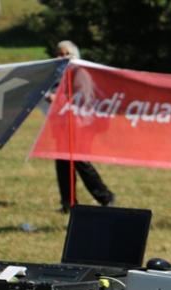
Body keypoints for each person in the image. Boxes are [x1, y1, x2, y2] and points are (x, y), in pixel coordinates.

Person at [49, 40, 115, 213]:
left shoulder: (80, 73)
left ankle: (105, 197)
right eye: (59, 54)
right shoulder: (60, 74)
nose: (62, 57)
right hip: (64, 126)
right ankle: (68, 204)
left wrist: (57, 98)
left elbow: (83, 99)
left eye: (66, 54)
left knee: (81, 162)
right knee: (63, 165)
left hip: (81, 126)